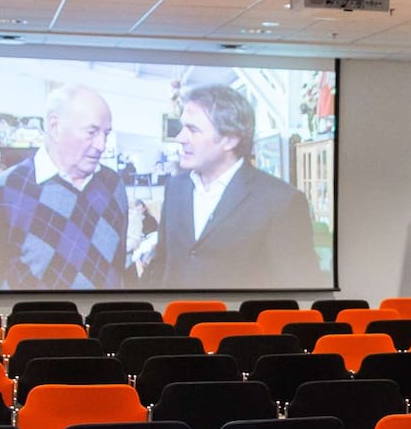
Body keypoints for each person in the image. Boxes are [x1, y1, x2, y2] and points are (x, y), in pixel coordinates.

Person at [136, 83, 325, 289]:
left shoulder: (281, 201)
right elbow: (162, 262)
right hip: (175, 318)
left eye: (192, 129)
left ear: (230, 140)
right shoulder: (176, 187)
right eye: (183, 127)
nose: (180, 138)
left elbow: (300, 285)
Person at [0, 84, 134, 290]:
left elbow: (118, 271)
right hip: (33, 322)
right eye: (91, 132)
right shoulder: (3, 192)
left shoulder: (113, 185)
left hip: (100, 321)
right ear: (55, 126)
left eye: (106, 134)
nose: (101, 145)